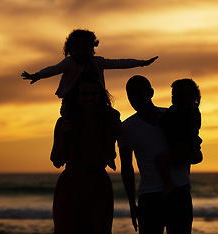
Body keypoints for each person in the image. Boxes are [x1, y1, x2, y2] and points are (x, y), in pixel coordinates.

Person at [21, 29, 158, 170]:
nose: (81, 52)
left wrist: (141, 63)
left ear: (92, 49)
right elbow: (53, 69)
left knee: (113, 116)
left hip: (96, 101)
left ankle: (109, 155)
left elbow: (119, 63)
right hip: (70, 101)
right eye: (77, 48)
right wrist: (37, 75)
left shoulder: (97, 62)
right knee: (69, 119)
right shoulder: (69, 63)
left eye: (85, 48)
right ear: (70, 50)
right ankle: (70, 152)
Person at [118, 75, 193, 234]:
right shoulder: (126, 128)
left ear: (151, 92)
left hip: (179, 194)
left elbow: (185, 150)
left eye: (139, 91)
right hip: (149, 198)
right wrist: (132, 204)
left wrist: (184, 181)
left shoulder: (172, 116)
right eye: (130, 94)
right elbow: (126, 167)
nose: (134, 97)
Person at [52, 72, 119, 234]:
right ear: (77, 97)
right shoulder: (64, 122)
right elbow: (56, 160)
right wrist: (65, 136)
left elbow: (110, 157)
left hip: (98, 184)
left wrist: (112, 131)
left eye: (94, 94)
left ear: (100, 96)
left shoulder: (107, 121)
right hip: (71, 184)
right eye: (84, 94)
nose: (89, 98)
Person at [155, 78, 203, 197]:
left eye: (187, 95)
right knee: (184, 167)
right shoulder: (193, 111)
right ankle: (181, 181)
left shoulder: (178, 112)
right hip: (188, 145)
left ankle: (169, 183)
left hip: (181, 146)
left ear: (195, 97)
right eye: (178, 95)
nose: (182, 98)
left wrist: (160, 118)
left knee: (161, 160)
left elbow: (163, 122)